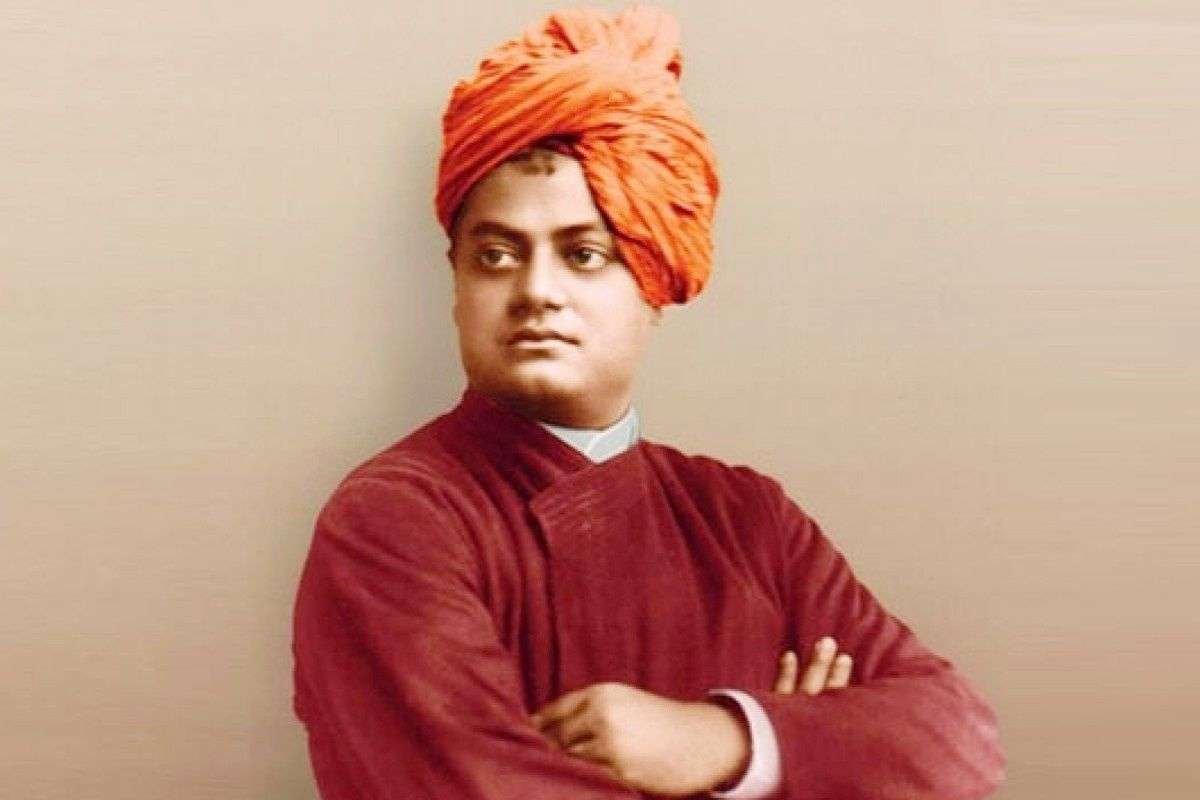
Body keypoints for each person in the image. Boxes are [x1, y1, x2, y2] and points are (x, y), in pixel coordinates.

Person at [291, 6, 1005, 799]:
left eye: (584, 254)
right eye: (495, 255)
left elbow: (960, 744)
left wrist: (723, 740)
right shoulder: (397, 519)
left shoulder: (745, 520)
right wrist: (816, 761)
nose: (536, 290)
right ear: (457, 285)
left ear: (655, 284)